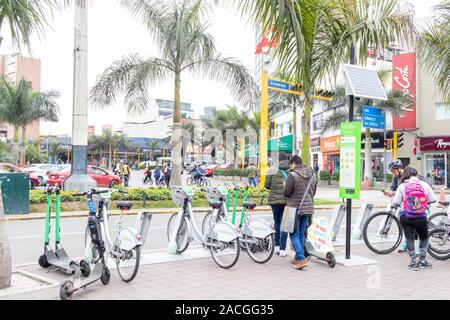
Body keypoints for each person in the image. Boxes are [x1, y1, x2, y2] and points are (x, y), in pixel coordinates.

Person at [392, 167, 436, 271]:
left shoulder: (402, 186)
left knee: (409, 238)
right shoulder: (424, 184)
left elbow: (396, 202)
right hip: (421, 216)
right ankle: (422, 260)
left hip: (405, 216)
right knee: (424, 238)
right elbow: (433, 199)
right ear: (416, 175)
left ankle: (413, 262)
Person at [284, 155, 318, 270]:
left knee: (293, 233)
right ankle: (298, 258)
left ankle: (302, 258)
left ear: (293, 163)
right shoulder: (313, 175)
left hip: (295, 208)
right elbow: (313, 192)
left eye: (290, 164)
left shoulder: (292, 175)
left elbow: (287, 193)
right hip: (308, 207)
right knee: (301, 233)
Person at [265, 160, 290, 257]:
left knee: (277, 221)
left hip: (274, 201)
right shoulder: (290, 171)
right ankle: (282, 249)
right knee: (285, 224)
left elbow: (267, 186)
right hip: (286, 202)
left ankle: (276, 246)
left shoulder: (272, 171)